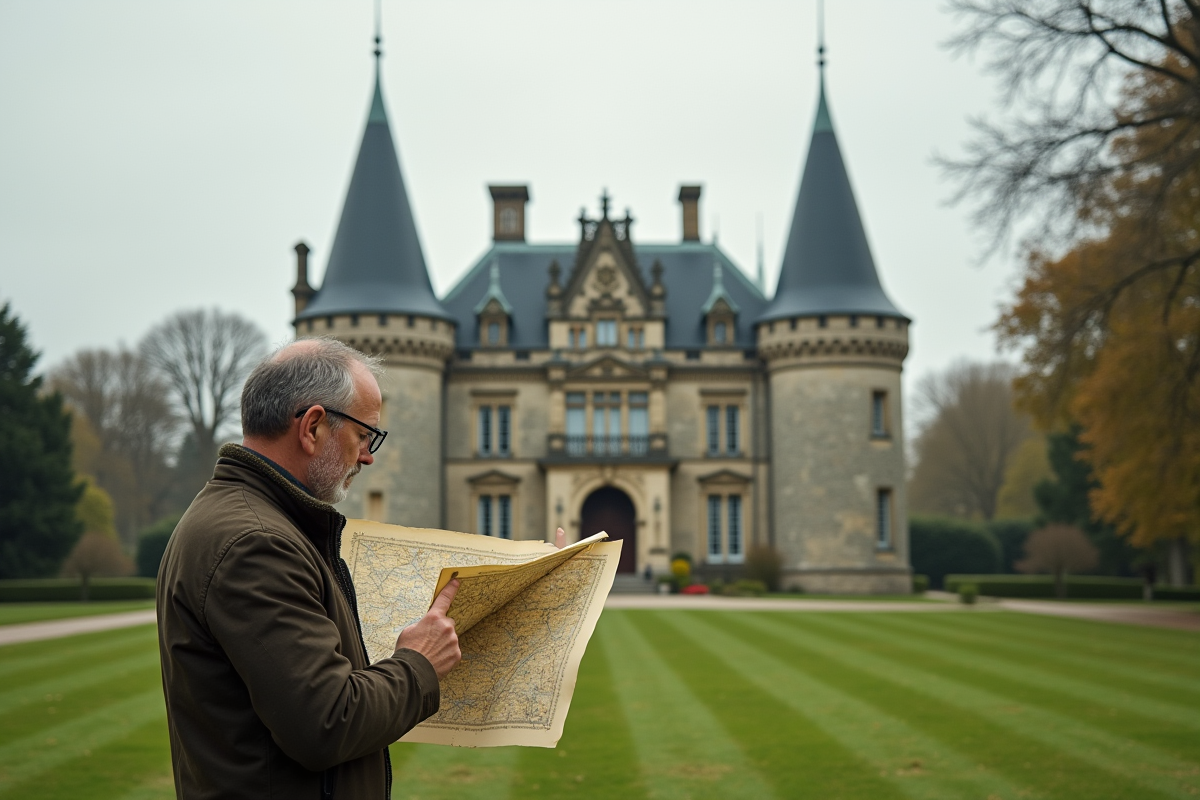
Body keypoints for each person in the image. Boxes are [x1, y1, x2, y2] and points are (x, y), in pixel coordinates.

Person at [156, 338, 462, 800]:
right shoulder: (257, 543)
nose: (368, 456)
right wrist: (418, 665)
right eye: (365, 435)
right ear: (314, 427)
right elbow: (327, 722)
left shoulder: (254, 521)